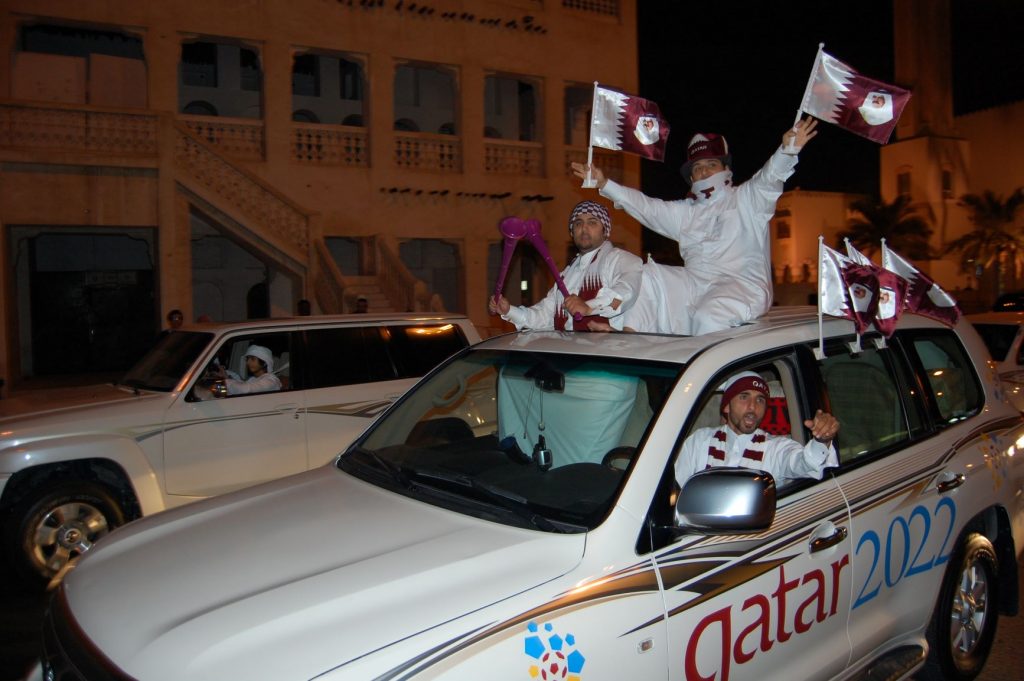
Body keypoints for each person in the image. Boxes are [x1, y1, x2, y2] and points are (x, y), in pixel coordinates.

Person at [572, 118, 818, 335]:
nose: (703, 171)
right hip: (696, 285)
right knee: (648, 274)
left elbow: (769, 178)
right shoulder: (685, 212)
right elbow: (646, 207)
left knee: (708, 316)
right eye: (697, 168)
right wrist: (604, 183)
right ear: (691, 178)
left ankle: (719, 386)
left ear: (726, 169)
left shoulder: (747, 198)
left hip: (742, 287)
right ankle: (629, 335)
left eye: (711, 164)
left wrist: (787, 151)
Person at [488, 200, 642, 331]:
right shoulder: (566, 275)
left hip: (606, 360)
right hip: (569, 359)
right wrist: (509, 310)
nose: (584, 228)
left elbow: (626, 292)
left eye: (592, 222)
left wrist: (589, 307)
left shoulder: (621, 260)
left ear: (605, 231)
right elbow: (543, 316)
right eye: (578, 223)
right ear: (572, 232)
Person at [674, 371, 839, 487]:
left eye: (760, 400)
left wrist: (822, 440)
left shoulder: (774, 447)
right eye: (744, 397)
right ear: (726, 407)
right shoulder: (699, 441)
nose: (753, 407)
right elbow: (676, 489)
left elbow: (802, 462)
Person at [212, 344, 282, 396]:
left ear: (264, 363)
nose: (248, 362)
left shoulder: (271, 381)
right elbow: (234, 389)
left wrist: (224, 381)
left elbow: (244, 390)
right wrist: (224, 377)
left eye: (252, 359)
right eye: (247, 359)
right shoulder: (254, 379)